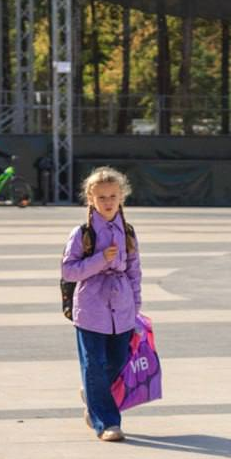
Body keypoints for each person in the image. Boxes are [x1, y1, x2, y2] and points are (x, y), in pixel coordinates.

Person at [61, 166, 142, 442]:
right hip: (91, 308)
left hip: (122, 308)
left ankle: (92, 393)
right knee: (93, 364)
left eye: (113, 196)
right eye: (102, 197)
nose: (108, 202)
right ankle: (107, 422)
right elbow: (69, 271)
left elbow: (135, 270)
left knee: (118, 360)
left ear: (122, 197)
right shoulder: (81, 233)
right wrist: (100, 260)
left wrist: (136, 308)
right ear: (90, 199)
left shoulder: (128, 231)